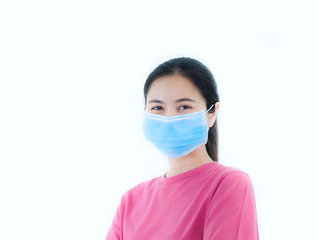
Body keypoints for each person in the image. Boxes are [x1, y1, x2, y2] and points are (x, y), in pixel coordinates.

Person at [106, 57, 259, 240]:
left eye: (184, 107)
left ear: (212, 114)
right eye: (158, 107)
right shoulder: (130, 202)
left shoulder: (228, 184)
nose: (169, 117)